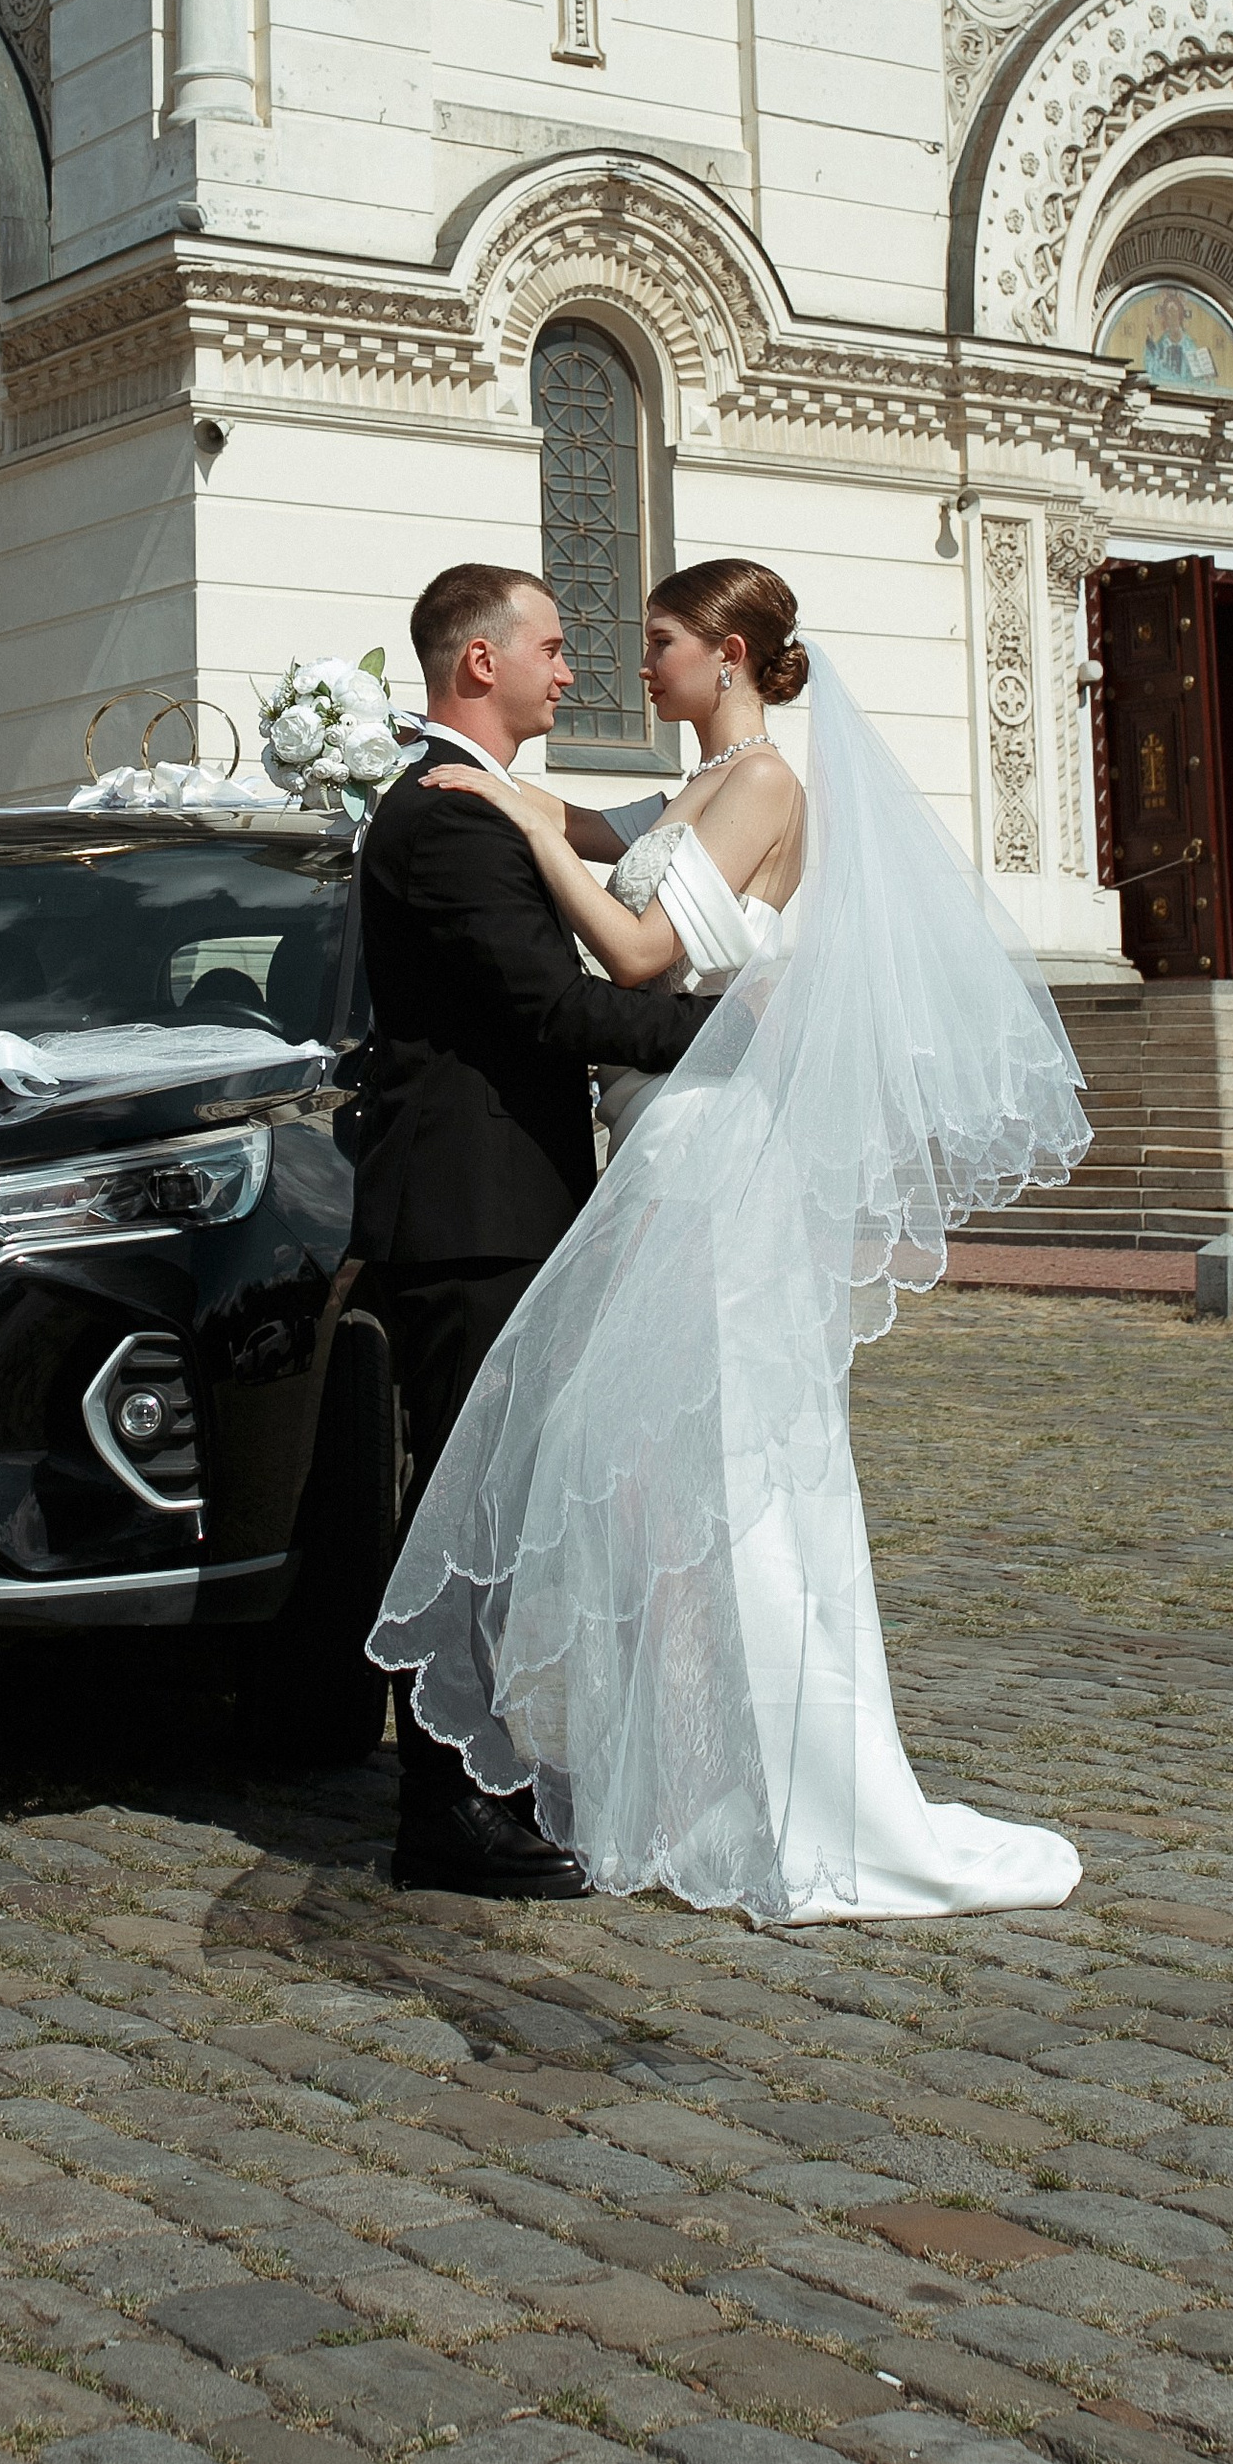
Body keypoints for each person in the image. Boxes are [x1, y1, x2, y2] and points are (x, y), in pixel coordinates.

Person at [372, 557, 1093, 1923]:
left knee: (728, 1463)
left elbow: (640, 958)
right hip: (652, 1138)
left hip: (706, 1143)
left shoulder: (763, 784)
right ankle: (679, 1765)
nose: (629, 666)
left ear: (734, 654)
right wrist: (489, 789)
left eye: (658, 642)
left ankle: (783, 1784)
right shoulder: (691, 790)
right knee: (656, 1472)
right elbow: (600, 825)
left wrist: (522, 830)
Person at [354, 561, 715, 1900]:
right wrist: (725, 1031)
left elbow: (642, 832)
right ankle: (448, 1809)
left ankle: (480, 1775)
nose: (574, 670)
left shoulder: (488, 804)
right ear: (478, 665)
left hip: (499, 1205)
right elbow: (544, 1012)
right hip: (471, 1214)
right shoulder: (448, 823)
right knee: (465, 1517)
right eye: (553, 649)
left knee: (493, 1510)